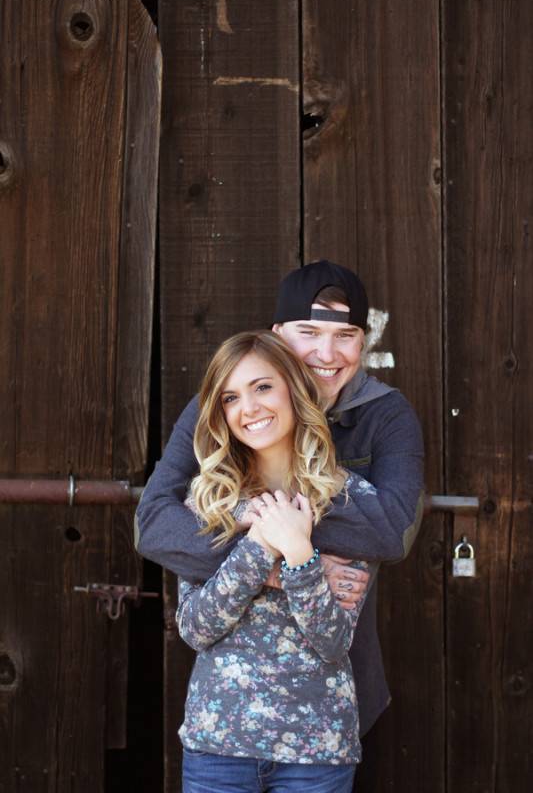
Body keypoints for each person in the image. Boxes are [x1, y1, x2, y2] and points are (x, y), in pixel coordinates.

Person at [135, 259, 424, 737]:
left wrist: (281, 533)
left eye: (345, 335)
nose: (325, 353)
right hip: (233, 702)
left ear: (363, 340)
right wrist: (278, 555)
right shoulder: (228, 405)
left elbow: (394, 532)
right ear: (277, 335)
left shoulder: (386, 416)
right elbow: (152, 524)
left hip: (337, 686)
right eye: (307, 332)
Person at [177, 330, 377, 792]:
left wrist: (301, 554)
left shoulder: (351, 500)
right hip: (218, 746)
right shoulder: (204, 501)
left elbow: (332, 642)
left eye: (262, 387)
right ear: (221, 413)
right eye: (231, 397)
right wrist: (262, 544)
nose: (249, 408)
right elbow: (195, 627)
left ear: (293, 387)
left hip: (316, 751)